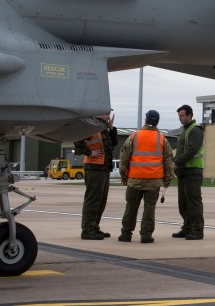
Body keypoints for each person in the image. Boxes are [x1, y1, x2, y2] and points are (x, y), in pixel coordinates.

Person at [118, 110, 173, 243]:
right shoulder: (162, 139)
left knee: (131, 207)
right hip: (153, 181)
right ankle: (146, 235)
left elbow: (124, 157)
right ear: (157, 122)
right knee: (149, 209)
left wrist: (123, 175)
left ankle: (126, 234)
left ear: (146, 120)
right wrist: (167, 180)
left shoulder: (134, 136)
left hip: (134, 180)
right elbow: (168, 161)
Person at [74, 111, 118, 240]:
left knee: (101, 201)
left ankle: (94, 227)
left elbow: (113, 143)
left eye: (109, 114)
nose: (108, 116)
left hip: (103, 168)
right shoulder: (91, 126)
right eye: (106, 114)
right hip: (94, 167)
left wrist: (111, 129)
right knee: (93, 200)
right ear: (98, 114)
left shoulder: (102, 128)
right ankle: (87, 230)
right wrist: (89, 152)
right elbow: (77, 139)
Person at [172, 104, 205, 240]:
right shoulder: (185, 130)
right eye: (179, 116)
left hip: (193, 172)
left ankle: (197, 230)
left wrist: (176, 162)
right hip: (184, 172)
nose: (180, 118)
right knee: (183, 203)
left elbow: (191, 150)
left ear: (190, 116)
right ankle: (187, 228)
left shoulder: (195, 130)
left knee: (193, 202)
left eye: (182, 116)